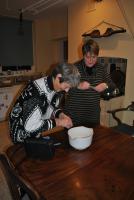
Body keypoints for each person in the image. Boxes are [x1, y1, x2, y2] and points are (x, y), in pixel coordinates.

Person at [9, 62, 80, 143]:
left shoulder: (54, 86)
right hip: (22, 136)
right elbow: (30, 127)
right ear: (58, 77)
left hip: (35, 132)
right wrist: (58, 122)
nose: (67, 90)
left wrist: (61, 115)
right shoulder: (36, 94)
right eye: (66, 86)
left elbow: (50, 106)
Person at [63, 39, 116, 127]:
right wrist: (78, 85)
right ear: (83, 55)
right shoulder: (74, 68)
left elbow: (113, 86)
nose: (91, 60)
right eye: (87, 57)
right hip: (74, 117)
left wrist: (106, 85)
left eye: (94, 57)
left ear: (97, 56)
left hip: (93, 118)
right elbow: (63, 87)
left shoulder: (101, 69)